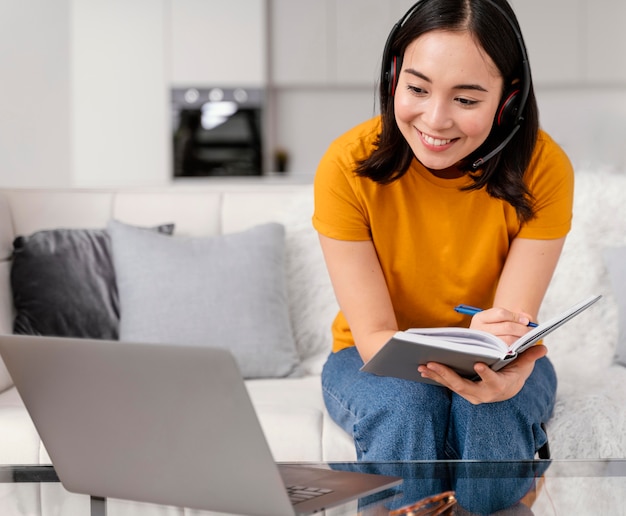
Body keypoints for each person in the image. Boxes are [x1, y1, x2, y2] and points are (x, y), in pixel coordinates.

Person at [312, 0, 574, 462]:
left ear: (507, 101)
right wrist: (449, 376)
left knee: (489, 410)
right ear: (393, 79)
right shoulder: (345, 166)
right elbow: (375, 335)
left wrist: (505, 372)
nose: (435, 120)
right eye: (417, 89)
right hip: (370, 354)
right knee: (407, 404)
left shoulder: (544, 168)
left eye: (467, 99)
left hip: (494, 354)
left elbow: (509, 330)